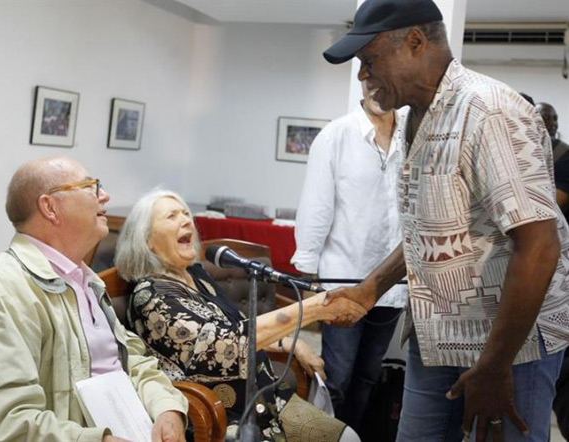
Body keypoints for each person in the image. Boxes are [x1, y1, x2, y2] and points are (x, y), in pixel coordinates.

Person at [322, 0, 569, 441]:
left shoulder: (490, 112)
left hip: (512, 348)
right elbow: (432, 227)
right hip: (439, 337)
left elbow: (540, 244)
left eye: (370, 59)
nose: (363, 74)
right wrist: (371, 287)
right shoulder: (413, 117)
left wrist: (494, 367)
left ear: (415, 42)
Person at [0, 157, 188, 442]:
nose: (104, 195)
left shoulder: (85, 279)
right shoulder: (1, 291)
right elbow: (4, 426)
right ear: (50, 208)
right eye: (90, 186)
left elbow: (132, 361)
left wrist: (167, 408)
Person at [114, 188, 367, 442]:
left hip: (267, 399)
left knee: (349, 438)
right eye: (171, 216)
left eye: (186, 213)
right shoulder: (151, 295)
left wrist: (289, 343)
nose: (186, 220)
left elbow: (237, 326)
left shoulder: (196, 275)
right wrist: (314, 308)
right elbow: (223, 345)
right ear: (146, 239)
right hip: (224, 416)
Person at [291, 79, 407, 433]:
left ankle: (349, 437)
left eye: (386, 83)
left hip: (392, 285)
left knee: (368, 378)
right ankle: (319, 438)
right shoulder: (335, 136)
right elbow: (316, 207)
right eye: (370, 82)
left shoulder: (412, 136)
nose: (378, 90)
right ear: (360, 86)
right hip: (344, 282)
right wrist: (308, 276)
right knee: (336, 378)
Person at [536, 102, 569, 213]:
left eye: (555, 118)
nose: (553, 123)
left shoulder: (563, 152)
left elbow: (552, 207)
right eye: (546, 117)